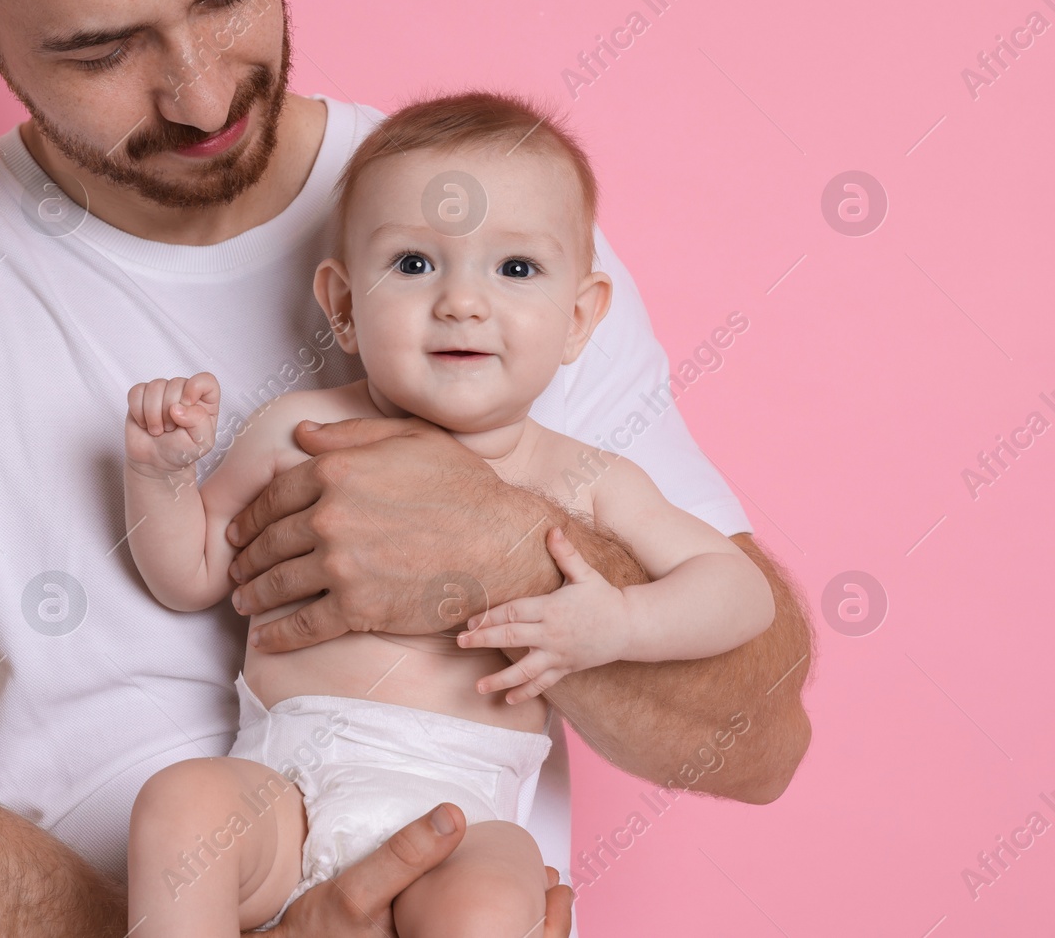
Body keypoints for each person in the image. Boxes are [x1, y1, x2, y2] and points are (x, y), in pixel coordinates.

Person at [0, 0, 813, 935]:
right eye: (101, 46)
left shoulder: (496, 227)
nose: (199, 94)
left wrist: (507, 548)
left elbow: (756, 737)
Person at [120, 92, 776, 936]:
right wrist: (162, 477)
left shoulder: (583, 479)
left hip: (459, 813)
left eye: (515, 269)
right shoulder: (298, 430)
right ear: (344, 304)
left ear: (578, 319)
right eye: (416, 264)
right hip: (282, 791)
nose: (462, 302)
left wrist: (620, 622)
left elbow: (739, 590)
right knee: (179, 806)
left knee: (493, 905)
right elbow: (191, 571)